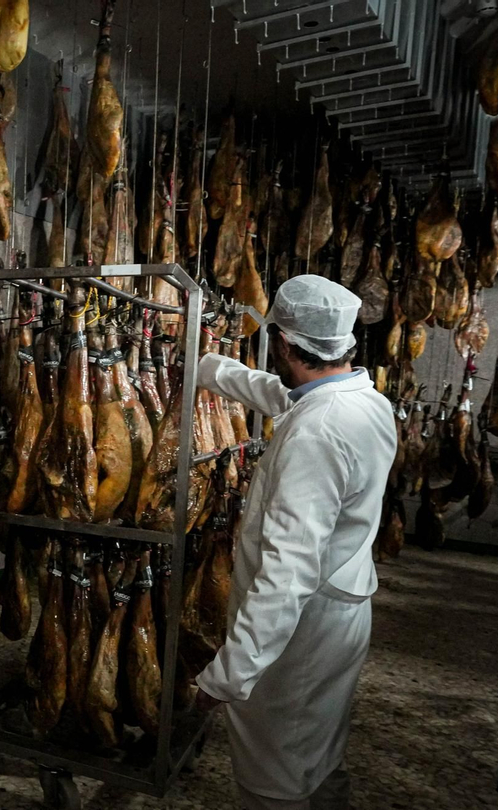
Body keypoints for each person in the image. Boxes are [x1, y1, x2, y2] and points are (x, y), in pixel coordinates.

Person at [193, 275, 397, 810]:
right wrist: (208, 368)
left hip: (301, 630)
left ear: (283, 342)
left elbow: (287, 573)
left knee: (274, 774)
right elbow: (283, 395)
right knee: (319, 754)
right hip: (343, 607)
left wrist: (230, 673)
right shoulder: (364, 400)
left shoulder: (318, 432)